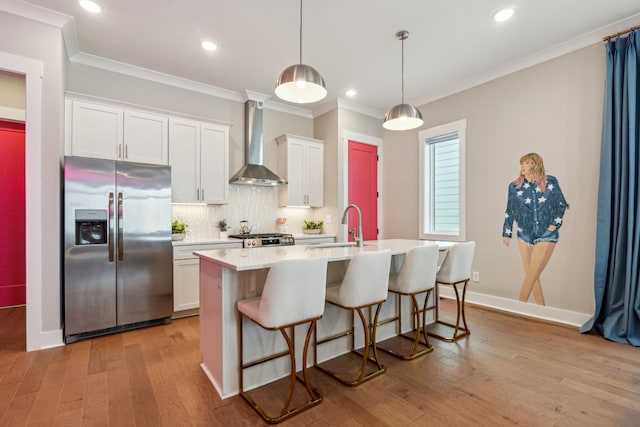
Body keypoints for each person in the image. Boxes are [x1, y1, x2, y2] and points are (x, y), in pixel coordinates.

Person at [502, 153, 568, 305]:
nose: (522, 166)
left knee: (532, 273)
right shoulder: (514, 186)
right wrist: (507, 232)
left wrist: (554, 224)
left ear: (535, 164)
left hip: (546, 233)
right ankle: (541, 310)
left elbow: (561, 204)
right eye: (522, 164)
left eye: (526, 163)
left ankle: (518, 307)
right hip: (524, 234)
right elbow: (510, 210)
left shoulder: (550, 181)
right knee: (533, 275)